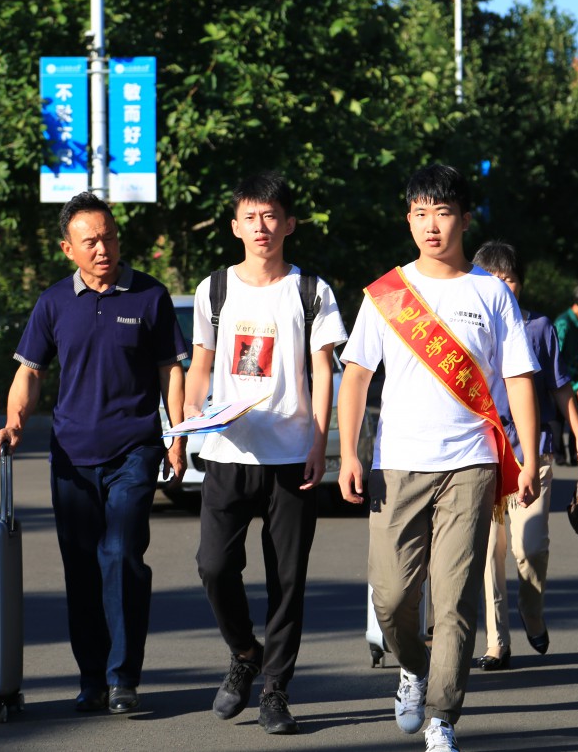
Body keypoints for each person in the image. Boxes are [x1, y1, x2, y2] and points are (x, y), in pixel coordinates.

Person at [337, 165, 540, 752]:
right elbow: (356, 377)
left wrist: (526, 457)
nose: (432, 225)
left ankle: (442, 717)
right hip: (397, 463)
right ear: (408, 220)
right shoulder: (386, 295)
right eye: (421, 214)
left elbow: (519, 377)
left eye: (443, 213)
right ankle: (412, 666)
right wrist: (347, 453)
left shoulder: (491, 293)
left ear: (465, 219)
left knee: (454, 598)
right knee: (391, 596)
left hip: (471, 464)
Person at [0, 192, 188, 716]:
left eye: (110, 238)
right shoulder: (54, 302)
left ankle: (123, 677)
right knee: (80, 568)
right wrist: (14, 422)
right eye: (91, 242)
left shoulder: (149, 295)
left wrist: (177, 435)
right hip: (72, 456)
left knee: (120, 555)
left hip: (134, 448)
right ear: (68, 248)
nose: (103, 249)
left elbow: (170, 369)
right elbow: (30, 371)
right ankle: (92, 679)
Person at [183, 172, 346, 736]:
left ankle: (275, 689)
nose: (261, 227)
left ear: (289, 224)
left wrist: (320, 442)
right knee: (213, 565)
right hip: (228, 450)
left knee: (288, 580)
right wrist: (189, 418)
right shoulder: (214, 289)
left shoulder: (312, 291)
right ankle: (244, 652)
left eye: (271, 216)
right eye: (250, 217)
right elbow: (200, 364)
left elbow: (323, 372)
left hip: (291, 454)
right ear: (235, 226)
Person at [471, 242, 578, 673]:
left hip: (530, 454)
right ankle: (496, 643)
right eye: (493, 279)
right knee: (489, 552)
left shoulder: (539, 328)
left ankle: (531, 608)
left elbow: (560, 387)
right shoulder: (467, 329)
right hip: (481, 454)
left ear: (520, 284)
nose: (503, 286)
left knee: (531, 547)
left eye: (510, 279)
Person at [551, 283, 578, 464]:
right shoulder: (563, 322)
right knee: (558, 420)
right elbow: (555, 354)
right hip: (561, 380)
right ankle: (559, 456)